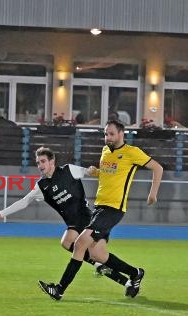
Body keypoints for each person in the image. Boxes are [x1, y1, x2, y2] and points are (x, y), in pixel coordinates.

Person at [38, 120, 163, 300]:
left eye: (111, 134)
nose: (108, 137)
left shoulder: (131, 152)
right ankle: (135, 273)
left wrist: (153, 194)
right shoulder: (105, 151)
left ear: (122, 134)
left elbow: (157, 168)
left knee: (80, 243)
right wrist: (96, 172)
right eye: (105, 134)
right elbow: (108, 174)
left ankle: (59, 290)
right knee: (97, 254)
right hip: (99, 207)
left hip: (113, 209)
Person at [0, 147, 131, 293]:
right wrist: (0, 214)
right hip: (73, 224)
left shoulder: (69, 170)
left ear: (52, 161)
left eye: (43, 161)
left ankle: (65, 287)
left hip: (87, 220)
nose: (40, 165)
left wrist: (92, 170)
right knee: (71, 244)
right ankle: (123, 277)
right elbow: (24, 201)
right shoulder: (42, 186)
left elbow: (88, 171)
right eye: (38, 163)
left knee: (81, 248)